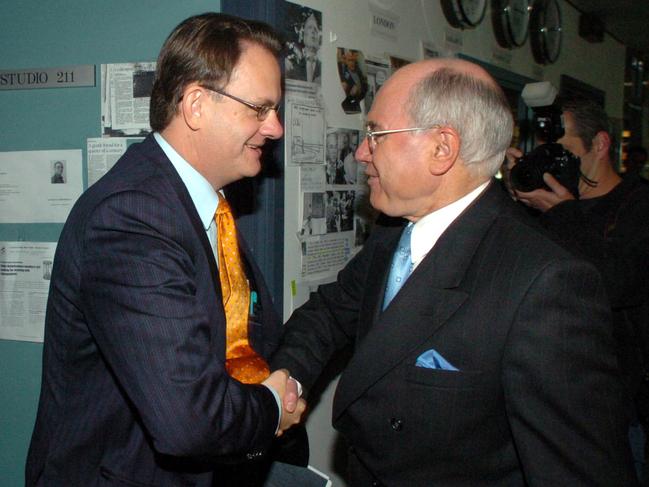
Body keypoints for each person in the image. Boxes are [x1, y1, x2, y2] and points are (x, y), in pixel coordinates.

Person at [271, 58, 638, 486]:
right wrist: (287, 379)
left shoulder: (547, 283)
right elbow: (330, 313)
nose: (361, 152)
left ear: (442, 149)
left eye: (376, 134)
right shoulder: (394, 232)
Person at [26, 13, 306, 487]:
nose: (275, 128)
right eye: (259, 109)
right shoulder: (133, 217)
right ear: (196, 105)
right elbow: (188, 423)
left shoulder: (204, 204)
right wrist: (273, 406)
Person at [509, 96, 649, 481]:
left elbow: (614, 284)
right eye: (546, 154)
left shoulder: (638, 208)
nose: (555, 163)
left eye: (564, 152)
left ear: (600, 145)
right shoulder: (547, 207)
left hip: (617, 414)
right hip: (546, 400)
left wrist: (562, 214)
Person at [284, 10, 321, 84]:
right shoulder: (292, 62)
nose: (313, 31)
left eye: (316, 29)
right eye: (310, 27)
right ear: (302, 33)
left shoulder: (323, 68)